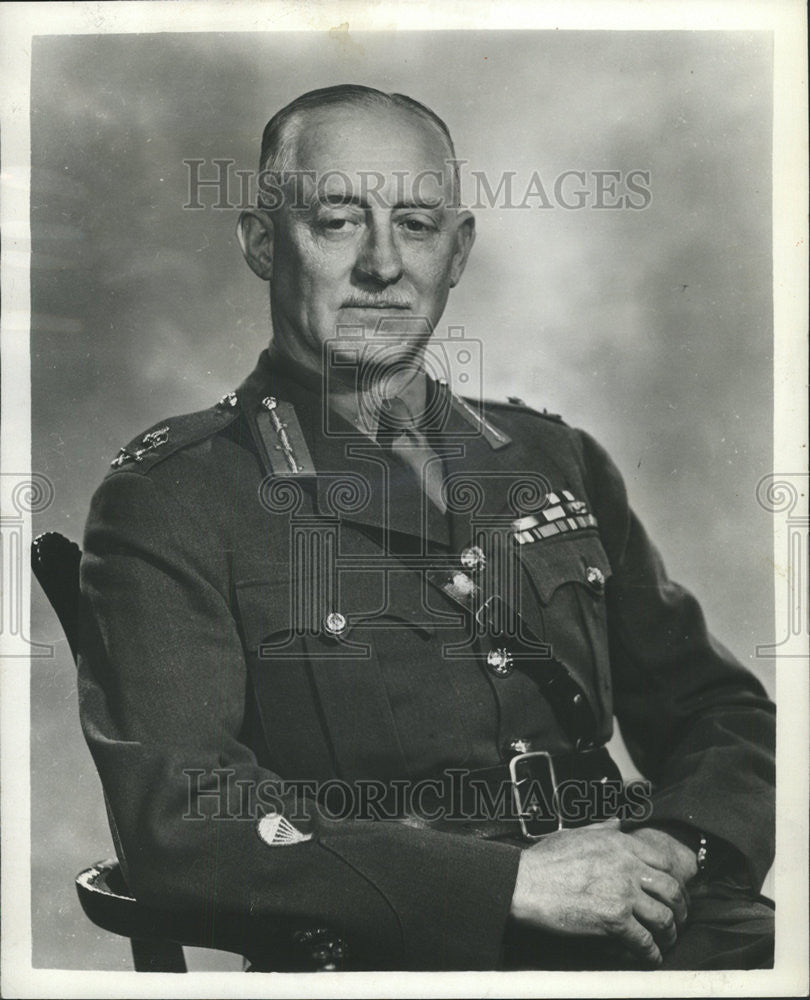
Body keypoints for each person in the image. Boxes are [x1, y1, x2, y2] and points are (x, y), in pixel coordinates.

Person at [77, 84, 775, 971]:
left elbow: (718, 709)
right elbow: (179, 814)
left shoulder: (551, 456)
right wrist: (508, 886)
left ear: (459, 250)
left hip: (649, 923)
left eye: (415, 223)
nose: (381, 264)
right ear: (261, 242)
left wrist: (686, 844)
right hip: (395, 954)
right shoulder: (179, 495)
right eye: (337, 221)